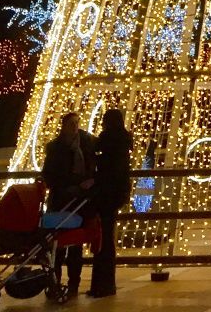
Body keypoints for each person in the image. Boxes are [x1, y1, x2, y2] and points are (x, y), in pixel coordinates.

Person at [42, 112, 96, 297]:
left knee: (76, 246)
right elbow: (50, 175)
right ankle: (54, 282)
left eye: (77, 123)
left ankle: (73, 283)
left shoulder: (86, 143)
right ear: (63, 126)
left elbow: (93, 166)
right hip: (61, 201)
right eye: (71, 123)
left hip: (79, 202)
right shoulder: (55, 148)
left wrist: (89, 181)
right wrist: (71, 184)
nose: (75, 127)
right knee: (57, 245)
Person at [87, 109, 133, 299]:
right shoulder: (124, 141)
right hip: (117, 195)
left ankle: (101, 285)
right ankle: (106, 284)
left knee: (102, 240)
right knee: (107, 240)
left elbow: (105, 166)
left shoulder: (107, 140)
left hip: (105, 195)